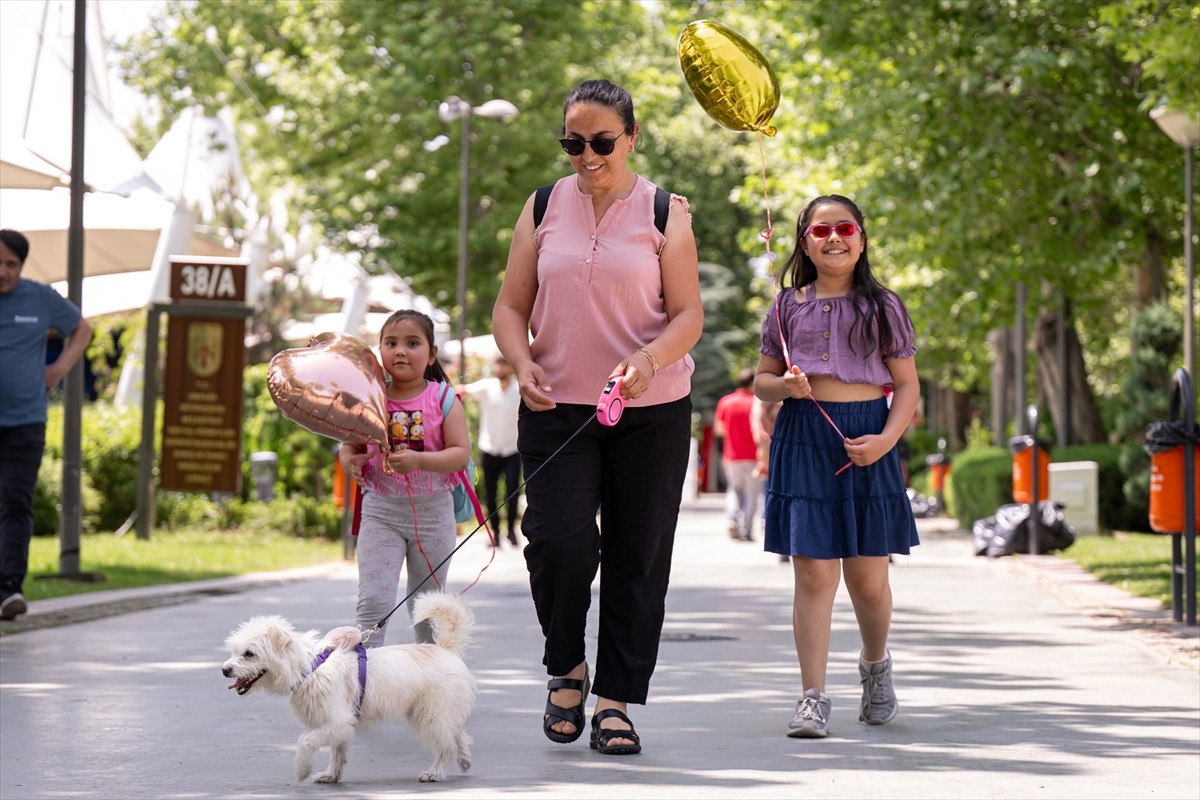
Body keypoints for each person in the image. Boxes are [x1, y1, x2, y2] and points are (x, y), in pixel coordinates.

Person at [492, 78, 703, 756]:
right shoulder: (544, 204)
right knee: (557, 541)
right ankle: (567, 666)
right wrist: (520, 362)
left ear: (632, 138)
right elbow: (508, 306)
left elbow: (689, 314)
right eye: (573, 142)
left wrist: (648, 359)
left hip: (651, 410)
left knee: (638, 556)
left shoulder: (666, 212)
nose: (587, 156)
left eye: (602, 142)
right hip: (556, 407)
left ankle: (613, 700)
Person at [754, 195, 920, 739]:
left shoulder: (883, 306)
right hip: (804, 440)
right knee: (814, 573)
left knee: (868, 581)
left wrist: (885, 442)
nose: (834, 238)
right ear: (804, 241)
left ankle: (875, 667)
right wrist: (785, 387)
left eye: (845, 228)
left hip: (869, 436)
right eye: (821, 230)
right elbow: (761, 381)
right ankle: (812, 696)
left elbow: (908, 385)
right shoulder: (785, 307)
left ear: (862, 238)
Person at [338, 310, 470, 646]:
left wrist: (420, 461)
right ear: (378, 351)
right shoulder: (369, 398)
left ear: (431, 354)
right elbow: (349, 446)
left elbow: (460, 453)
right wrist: (353, 461)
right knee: (373, 603)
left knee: (426, 609)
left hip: (434, 515)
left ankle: (428, 685)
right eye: (391, 343)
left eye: (412, 343)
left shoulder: (444, 398)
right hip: (380, 513)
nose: (400, 351)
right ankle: (363, 684)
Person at [0, 229, 93, 621]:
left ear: (21, 266)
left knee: (16, 503)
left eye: (11, 264)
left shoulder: (39, 298)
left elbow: (82, 329)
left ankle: (9, 590)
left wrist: (58, 369)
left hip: (25, 422)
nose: (2, 271)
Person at [458, 355, 523, 547]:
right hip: (489, 447)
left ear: (511, 368)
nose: (500, 369)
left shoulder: (519, 389)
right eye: (498, 365)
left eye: (504, 365)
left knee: (513, 491)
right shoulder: (487, 386)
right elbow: (463, 391)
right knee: (490, 493)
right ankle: (494, 534)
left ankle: (511, 531)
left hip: (512, 448)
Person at [714, 368, 761, 542]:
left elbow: (720, 430)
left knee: (734, 490)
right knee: (752, 494)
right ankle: (746, 530)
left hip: (732, 456)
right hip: (754, 456)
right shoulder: (756, 402)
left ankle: (732, 520)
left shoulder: (726, 402)